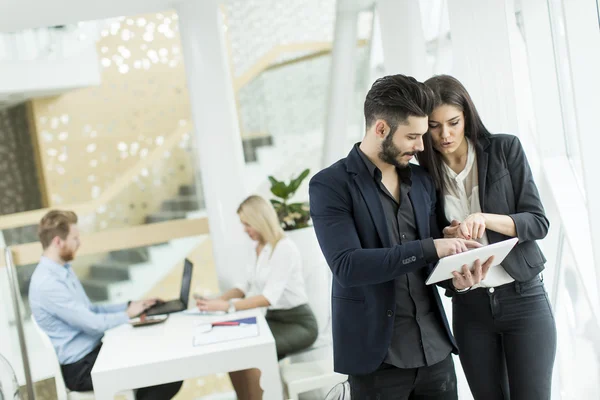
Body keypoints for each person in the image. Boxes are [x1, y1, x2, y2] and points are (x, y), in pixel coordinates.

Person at [309, 74, 492, 400]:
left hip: (434, 351)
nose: (422, 146)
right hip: (377, 359)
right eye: (412, 137)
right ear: (381, 129)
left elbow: (433, 262)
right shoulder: (330, 185)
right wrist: (430, 246)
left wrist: (458, 276)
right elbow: (347, 266)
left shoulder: (422, 181)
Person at [417, 74, 557, 399]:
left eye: (453, 122)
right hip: (471, 311)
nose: (445, 134)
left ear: (467, 115)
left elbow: (538, 223)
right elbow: (425, 251)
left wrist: (484, 219)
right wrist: (448, 249)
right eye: (434, 126)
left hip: (524, 300)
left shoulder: (505, 149)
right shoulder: (421, 177)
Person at [28, 210, 182, 399]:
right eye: (75, 238)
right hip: (81, 369)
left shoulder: (63, 271)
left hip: (92, 355)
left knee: (159, 362)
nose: (79, 243)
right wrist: (127, 314)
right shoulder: (48, 283)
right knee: (166, 374)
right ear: (58, 242)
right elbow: (93, 324)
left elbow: (92, 311)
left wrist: (129, 305)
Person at [196, 195, 318, 400]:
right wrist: (214, 303)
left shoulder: (284, 248)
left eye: (247, 224)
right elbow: (242, 287)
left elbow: (268, 298)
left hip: (298, 323)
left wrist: (227, 306)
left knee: (249, 352)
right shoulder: (259, 248)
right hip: (272, 320)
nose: (245, 229)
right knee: (233, 352)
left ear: (260, 220)